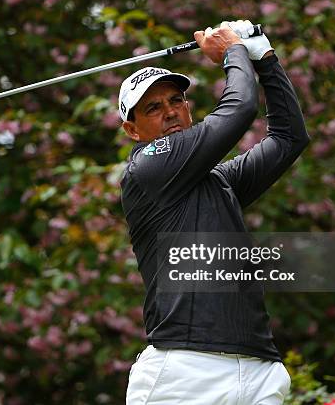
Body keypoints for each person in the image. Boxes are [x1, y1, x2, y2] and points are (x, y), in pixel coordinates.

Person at [119, 20, 310, 404]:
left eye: (177, 101)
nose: (171, 112)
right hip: (184, 371)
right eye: (153, 108)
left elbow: (290, 137)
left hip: (258, 368)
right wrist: (233, 52)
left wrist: (265, 58)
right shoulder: (147, 167)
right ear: (132, 130)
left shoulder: (219, 181)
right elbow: (240, 108)